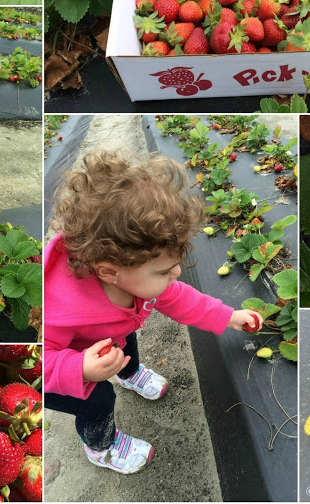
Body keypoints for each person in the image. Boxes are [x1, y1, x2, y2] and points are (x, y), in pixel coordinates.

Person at [44, 151, 264, 474]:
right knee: (98, 400)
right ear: (109, 272)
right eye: (163, 271)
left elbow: (182, 301)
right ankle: (100, 445)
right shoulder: (59, 310)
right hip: (58, 370)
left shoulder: (131, 279)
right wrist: (80, 369)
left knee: (124, 337)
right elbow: (40, 363)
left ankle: (129, 373)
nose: (175, 273)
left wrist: (229, 317)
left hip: (108, 335)